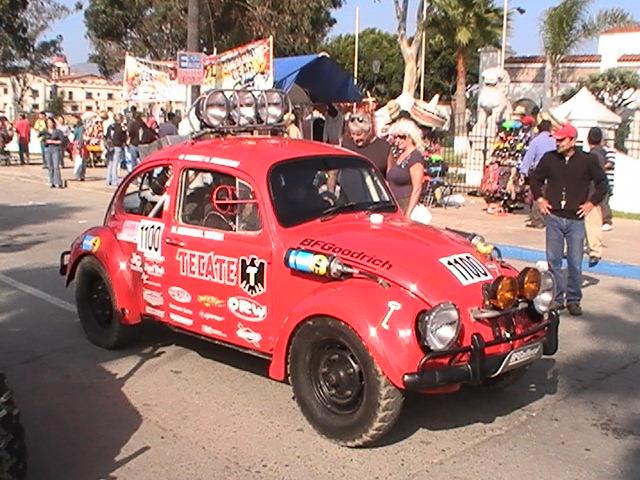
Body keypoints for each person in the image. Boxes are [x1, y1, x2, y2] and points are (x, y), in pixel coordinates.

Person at [530, 123, 608, 316]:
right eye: (556, 139)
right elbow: (535, 178)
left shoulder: (587, 160)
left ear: (573, 140)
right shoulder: (550, 159)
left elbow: (602, 183)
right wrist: (540, 199)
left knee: (574, 261)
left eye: (562, 140)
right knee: (554, 261)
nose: (558, 143)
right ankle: (557, 298)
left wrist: (591, 203)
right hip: (555, 217)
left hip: (575, 219)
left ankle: (573, 299)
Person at [584, 127, 614, 267]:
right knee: (588, 222)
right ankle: (589, 248)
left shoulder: (592, 156)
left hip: (591, 193)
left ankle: (595, 251)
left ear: (588, 140)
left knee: (592, 222)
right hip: (595, 191)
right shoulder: (602, 154)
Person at [519, 120, 556, 228]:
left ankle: (537, 219)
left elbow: (529, 158)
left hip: (539, 171)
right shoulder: (554, 140)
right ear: (549, 129)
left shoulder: (536, 141)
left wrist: (523, 172)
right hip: (553, 171)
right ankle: (550, 218)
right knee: (551, 196)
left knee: (537, 195)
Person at [386, 118, 425, 217]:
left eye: (402, 137)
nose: (398, 141)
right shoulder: (398, 155)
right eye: (396, 137)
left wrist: (408, 213)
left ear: (411, 137)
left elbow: (417, 188)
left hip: (405, 203)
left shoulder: (415, 157)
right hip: (393, 204)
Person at [341, 112, 390, 177]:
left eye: (359, 134)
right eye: (353, 134)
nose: (355, 138)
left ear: (368, 131)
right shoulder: (346, 144)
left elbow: (390, 176)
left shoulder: (384, 148)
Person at [105, 114, 127, 186]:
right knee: (115, 164)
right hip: (117, 146)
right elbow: (123, 137)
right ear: (120, 119)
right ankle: (114, 180)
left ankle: (108, 180)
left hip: (110, 146)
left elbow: (106, 136)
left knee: (110, 163)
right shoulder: (121, 127)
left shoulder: (110, 127)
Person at [42, 117, 65, 188]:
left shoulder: (58, 131)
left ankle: (57, 181)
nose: (50, 124)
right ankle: (51, 181)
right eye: (48, 123)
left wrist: (52, 141)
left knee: (56, 166)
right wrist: (45, 141)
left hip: (55, 149)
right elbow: (42, 139)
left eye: (51, 122)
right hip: (47, 149)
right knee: (50, 166)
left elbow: (62, 141)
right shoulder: (45, 131)